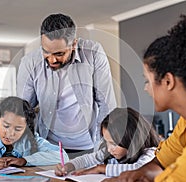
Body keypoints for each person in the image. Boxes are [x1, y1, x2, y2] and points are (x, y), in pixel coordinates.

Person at [96, 10, 186, 182]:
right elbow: (163, 160)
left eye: (148, 81)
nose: (146, 89)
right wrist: (138, 173)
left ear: (168, 81)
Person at [16, 13, 117, 158]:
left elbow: (107, 104)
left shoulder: (93, 53)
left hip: (89, 145)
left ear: (74, 44)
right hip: (48, 147)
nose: (52, 60)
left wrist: (104, 146)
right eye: (46, 52)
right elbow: (23, 110)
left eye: (59, 54)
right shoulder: (29, 62)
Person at [55, 107, 160, 177]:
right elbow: (87, 159)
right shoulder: (109, 152)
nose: (109, 149)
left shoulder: (151, 153)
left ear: (132, 140)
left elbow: (140, 169)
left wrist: (101, 169)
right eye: (107, 142)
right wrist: (69, 166)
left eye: (114, 143)